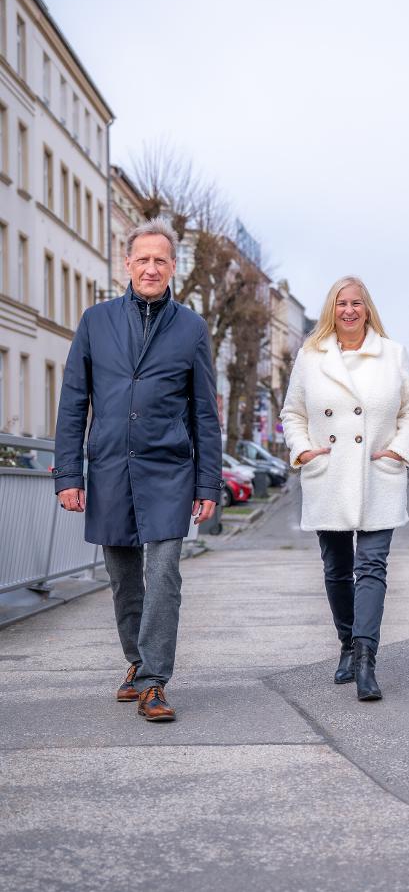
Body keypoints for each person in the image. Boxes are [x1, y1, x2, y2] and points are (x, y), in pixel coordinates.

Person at [53, 219, 222, 721]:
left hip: (170, 469)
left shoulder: (191, 327)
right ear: (127, 264)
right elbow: (72, 402)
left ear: (173, 268)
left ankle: (153, 681)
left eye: (161, 260)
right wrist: (69, 475)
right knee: (124, 578)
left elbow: (205, 413)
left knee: (165, 573)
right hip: (108, 468)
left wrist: (207, 481)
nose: (151, 268)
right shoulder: (95, 321)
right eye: (142, 259)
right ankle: (136, 660)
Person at [281, 276, 409, 701]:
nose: (349, 310)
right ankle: (346, 644)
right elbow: (293, 413)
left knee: (373, 566)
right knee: (336, 568)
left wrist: (399, 450)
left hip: (376, 473)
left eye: (356, 303)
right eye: (341, 303)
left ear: (367, 309)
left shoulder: (391, 354)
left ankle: (365, 658)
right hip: (330, 472)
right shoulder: (311, 356)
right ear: (332, 309)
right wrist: (304, 449)